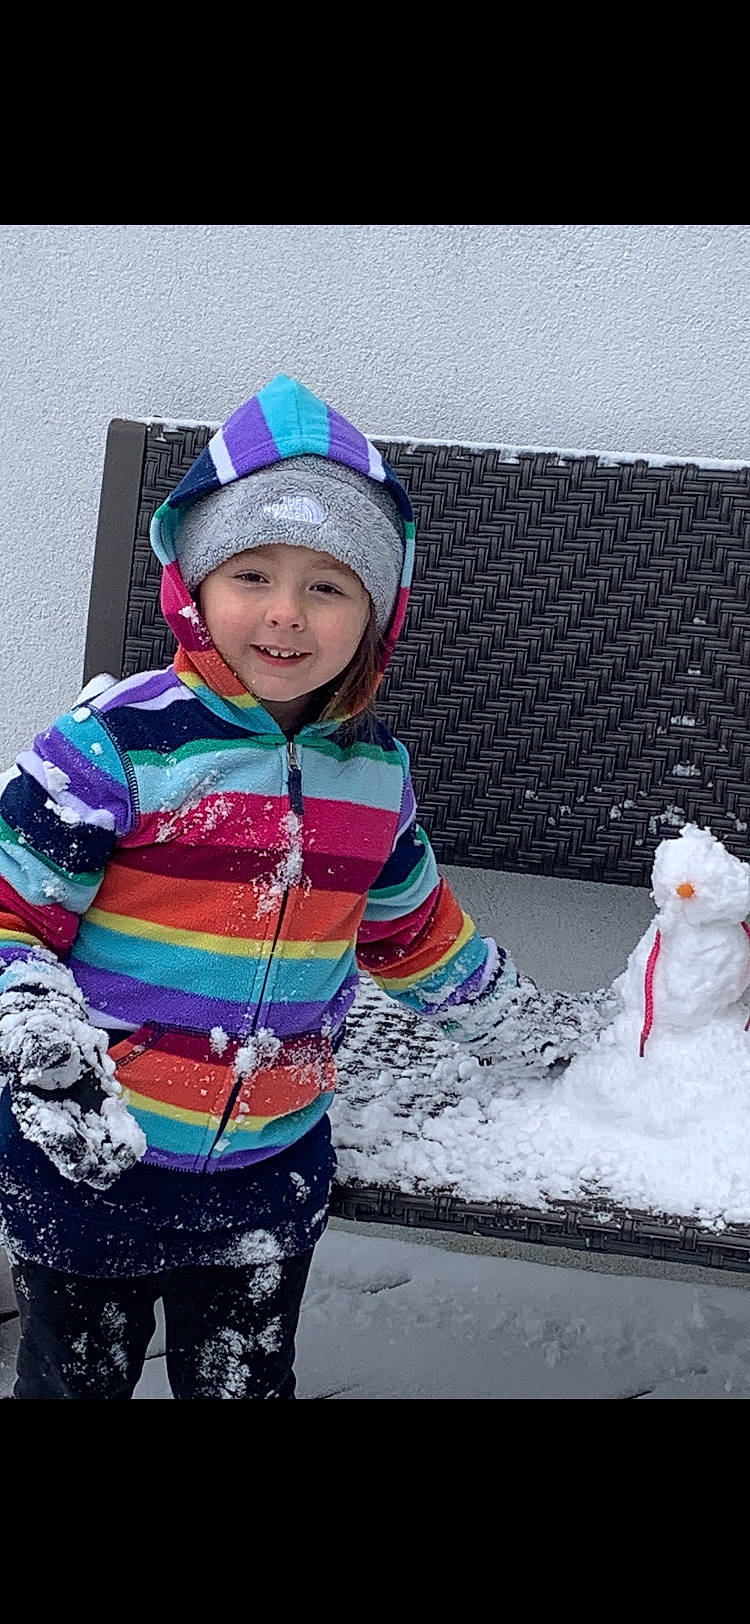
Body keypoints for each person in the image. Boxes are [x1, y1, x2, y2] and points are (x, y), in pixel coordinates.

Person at [0, 373, 610, 1400]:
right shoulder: (114, 746)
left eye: (327, 585)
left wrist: (524, 1029)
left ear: (376, 612)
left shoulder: (372, 777)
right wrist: (32, 1019)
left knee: (244, 1382)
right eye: (253, 575)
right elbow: (11, 911)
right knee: (75, 1383)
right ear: (194, 586)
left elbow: (414, 931)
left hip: (270, 1161)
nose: (285, 614)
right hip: (99, 1150)